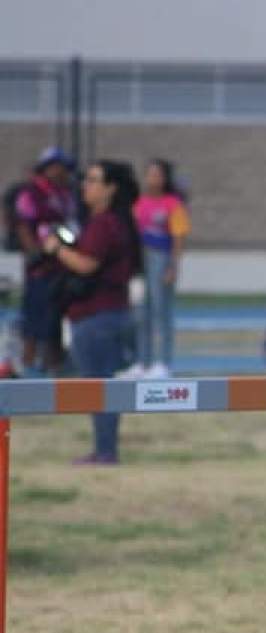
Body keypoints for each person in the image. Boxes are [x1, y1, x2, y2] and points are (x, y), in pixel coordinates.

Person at [42, 161, 140, 465]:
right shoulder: (114, 222)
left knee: (98, 387)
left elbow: (87, 264)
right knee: (102, 386)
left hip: (97, 316)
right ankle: (105, 448)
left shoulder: (104, 223)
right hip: (107, 314)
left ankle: (106, 451)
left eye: (94, 180)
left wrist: (57, 249)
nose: (86, 185)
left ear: (111, 188)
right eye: (86, 179)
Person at [12, 147, 79, 375]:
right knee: (33, 323)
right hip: (39, 270)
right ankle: (26, 368)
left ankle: (53, 369)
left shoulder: (66, 194)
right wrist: (34, 253)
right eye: (56, 167)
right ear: (47, 168)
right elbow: (23, 225)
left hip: (61, 267)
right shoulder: (31, 193)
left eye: (63, 168)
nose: (61, 172)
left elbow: (70, 226)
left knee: (55, 325)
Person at [122, 159, 191, 379]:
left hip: (161, 259)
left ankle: (164, 363)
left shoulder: (172, 204)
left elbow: (179, 236)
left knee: (162, 312)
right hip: (141, 259)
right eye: (150, 174)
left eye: (157, 175)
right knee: (141, 313)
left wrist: (173, 265)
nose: (153, 179)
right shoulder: (139, 203)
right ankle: (142, 361)